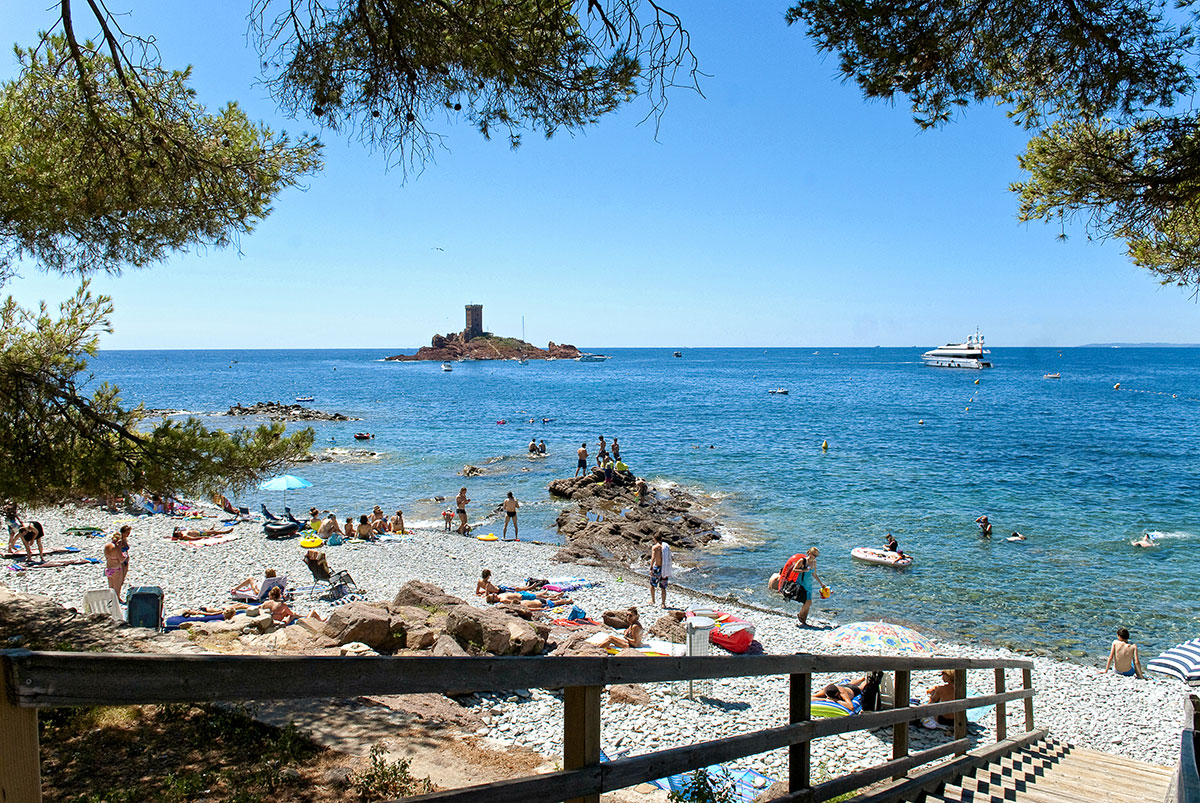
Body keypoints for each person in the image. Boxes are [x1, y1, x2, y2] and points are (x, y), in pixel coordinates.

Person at [776, 548, 825, 626]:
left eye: (816, 556)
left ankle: (804, 621)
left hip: (809, 585)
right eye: (814, 555)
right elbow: (794, 570)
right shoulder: (802, 561)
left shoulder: (814, 563)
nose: (815, 557)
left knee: (807, 604)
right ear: (809, 553)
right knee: (808, 602)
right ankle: (800, 615)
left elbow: (814, 574)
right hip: (801, 584)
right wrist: (803, 570)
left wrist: (821, 583)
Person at [104, 526, 132, 602]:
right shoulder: (117, 546)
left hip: (109, 567)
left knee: (111, 585)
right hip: (117, 566)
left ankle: (111, 599)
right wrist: (124, 557)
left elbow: (106, 556)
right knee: (117, 584)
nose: (128, 534)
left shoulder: (107, 546)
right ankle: (116, 599)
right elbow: (121, 558)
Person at [649, 533, 672, 607]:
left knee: (652, 585)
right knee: (663, 587)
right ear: (661, 539)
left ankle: (653, 600)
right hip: (665, 568)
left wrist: (651, 567)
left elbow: (653, 558)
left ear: (655, 539)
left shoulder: (655, 547)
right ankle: (663, 604)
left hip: (657, 568)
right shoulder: (666, 547)